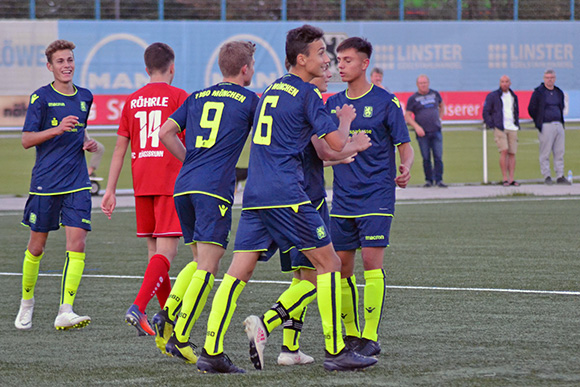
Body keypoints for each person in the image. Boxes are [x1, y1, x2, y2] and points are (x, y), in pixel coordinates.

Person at [196, 24, 377, 374]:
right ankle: (337, 350)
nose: (326, 60)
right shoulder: (307, 94)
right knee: (330, 265)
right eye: (322, 53)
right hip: (286, 194)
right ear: (301, 59)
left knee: (237, 273)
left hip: (255, 194)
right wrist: (344, 121)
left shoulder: (271, 88)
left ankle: (211, 349)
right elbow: (335, 145)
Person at [257, 63, 372, 367]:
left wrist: (345, 154)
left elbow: (320, 157)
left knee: (302, 276)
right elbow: (326, 151)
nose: (329, 74)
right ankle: (266, 324)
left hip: (291, 195)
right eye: (324, 69)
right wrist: (349, 135)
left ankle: (289, 348)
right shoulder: (306, 104)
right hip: (305, 199)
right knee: (318, 276)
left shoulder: (287, 101)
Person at [154, 40, 259, 364]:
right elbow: (265, 137)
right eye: (252, 66)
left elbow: (164, 132)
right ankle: (181, 336)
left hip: (184, 185)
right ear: (245, 69)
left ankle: (168, 312)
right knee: (211, 267)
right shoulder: (249, 99)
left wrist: (191, 162)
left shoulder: (197, 96)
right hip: (213, 188)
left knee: (200, 260)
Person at [327, 37, 414, 357]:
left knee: (371, 262)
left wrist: (405, 166)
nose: (341, 65)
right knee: (343, 267)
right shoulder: (331, 103)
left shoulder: (386, 102)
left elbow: (405, 145)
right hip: (343, 197)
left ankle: (370, 334)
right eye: (338, 60)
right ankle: (350, 334)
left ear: (365, 64)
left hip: (377, 194)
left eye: (347, 60)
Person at [101, 42, 189, 338]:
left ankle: (168, 321)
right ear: (172, 67)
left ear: (146, 68)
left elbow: (119, 149)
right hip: (168, 181)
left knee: (155, 255)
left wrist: (110, 190)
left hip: (142, 184)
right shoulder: (179, 97)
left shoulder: (132, 100)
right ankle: (138, 307)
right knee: (168, 252)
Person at [15, 39, 98, 331]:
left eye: (70, 60)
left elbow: (80, 131)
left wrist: (87, 142)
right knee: (36, 248)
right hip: (46, 183)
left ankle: (65, 310)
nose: (67, 65)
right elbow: (26, 140)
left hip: (76, 182)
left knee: (77, 243)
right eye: (60, 61)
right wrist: (56, 129)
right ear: (50, 67)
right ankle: (27, 303)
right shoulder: (41, 98)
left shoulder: (85, 96)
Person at [528, 69, 571, 185]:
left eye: (551, 77)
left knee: (559, 152)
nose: (549, 79)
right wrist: (539, 120)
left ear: (555, 79)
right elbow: (531, 108)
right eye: (547, 77)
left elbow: (561, 106)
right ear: (544, 79)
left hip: (558, 124)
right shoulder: (539, 92)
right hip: (546, 125)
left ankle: (560, 175)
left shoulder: (558, 92)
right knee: (545, 152)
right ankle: (547, 175)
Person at [405, 74, 446, 187]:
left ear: (428, 83)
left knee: (438, 156)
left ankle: (439, 180)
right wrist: (416, 127)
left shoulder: (435, 94)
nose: (423, 85)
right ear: (418, 85)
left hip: (436, 130)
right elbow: (407, 116)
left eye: (425, 83)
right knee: (426, 157)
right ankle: (429, 180)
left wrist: (440, 118)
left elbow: (442, 105)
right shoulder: (413, 99)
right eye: (421, 83)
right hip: (423, 133)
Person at [483, 75, 520, 186]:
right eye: (502, 82)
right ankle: (504, 178)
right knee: (504, 151)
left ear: (510, 83)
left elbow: (516, 110)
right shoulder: (493, 96)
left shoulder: (513, 96)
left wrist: (516, 122)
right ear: (500, 83)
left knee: (512, 152)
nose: (504, 84)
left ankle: (511, 178)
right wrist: (492, 124)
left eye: (506, 81)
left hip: (512, 127)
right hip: (500, 127)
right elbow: (486, 112)